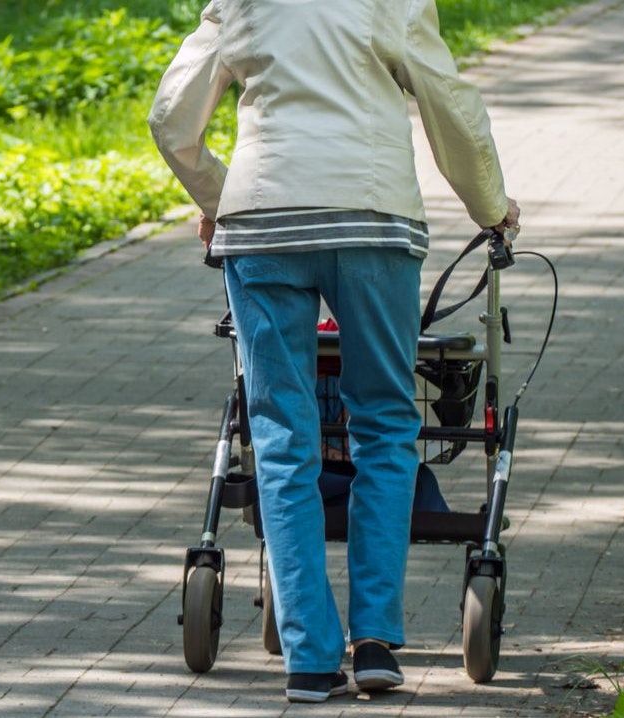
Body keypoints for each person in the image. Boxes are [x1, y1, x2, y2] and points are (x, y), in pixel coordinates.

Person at [148, 0, 521, 704]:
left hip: (261, 228)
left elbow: (170, 118)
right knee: (384, 423)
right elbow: (449, 104)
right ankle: (375, 641)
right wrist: (489, 206)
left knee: (282, 436)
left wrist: (221, 196)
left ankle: (309, 658)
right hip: (371, 220)